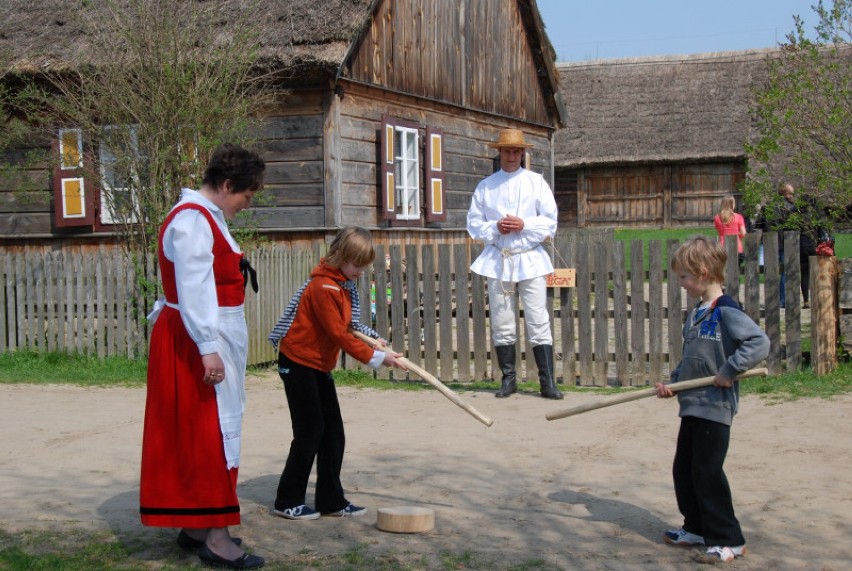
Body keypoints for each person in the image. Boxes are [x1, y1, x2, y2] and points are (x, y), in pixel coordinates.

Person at [140, 144, 266, 570]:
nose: (246, 206)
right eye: (246, 197)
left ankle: (195, 525)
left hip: (200, 335)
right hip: (197, 339)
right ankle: (216, 537)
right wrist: (208, 349)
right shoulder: (193, 221)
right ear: (228, 185)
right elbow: (193, 289)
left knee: (201, 431)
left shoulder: (203, 217)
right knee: (212, 433)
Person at [267, 227, 407, 521]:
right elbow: (338, 334)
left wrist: (375, 341)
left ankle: (330, 500)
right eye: (357, 264)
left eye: (364, 266)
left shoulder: (342, 285)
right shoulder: (323, 288)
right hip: (297, 364)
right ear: (341, 256)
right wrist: (379, 358)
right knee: (310, 432)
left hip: (318, 365)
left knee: (333, 433)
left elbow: (350, 326)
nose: (361, 271)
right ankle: (287, 500)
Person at [655, 236, 769, 564]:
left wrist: (730, 369)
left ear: (704, 273)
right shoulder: (698, 313)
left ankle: (728, 540)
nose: (682, 284)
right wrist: (674, 384)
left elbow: (759, 343)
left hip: (715, 406)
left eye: (684, 278)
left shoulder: (726, 311)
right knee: (685, 470)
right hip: (692, 403)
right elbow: (692, 359)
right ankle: (697, 528)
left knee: (707, 472)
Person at [466, 128, 562, 400]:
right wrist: (496, 227)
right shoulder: (486, 186)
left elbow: (550, 221)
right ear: (500, 153)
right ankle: (508, 379)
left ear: (523, 153)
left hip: (530, 258)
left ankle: (547, 382)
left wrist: (524, 224)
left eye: (515, 151)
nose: (511, 156)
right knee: (502, 319)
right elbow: (474, 224)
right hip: (499, 259)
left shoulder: (536, 182)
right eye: (506, 151)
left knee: (537, 317)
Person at [713, 195, 746, 261]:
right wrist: (736, 234)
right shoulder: (738, 217)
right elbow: (743, 233)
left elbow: (720, 233)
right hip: (737, 248)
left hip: (722, 248)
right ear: (732, 205)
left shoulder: (717, 218)